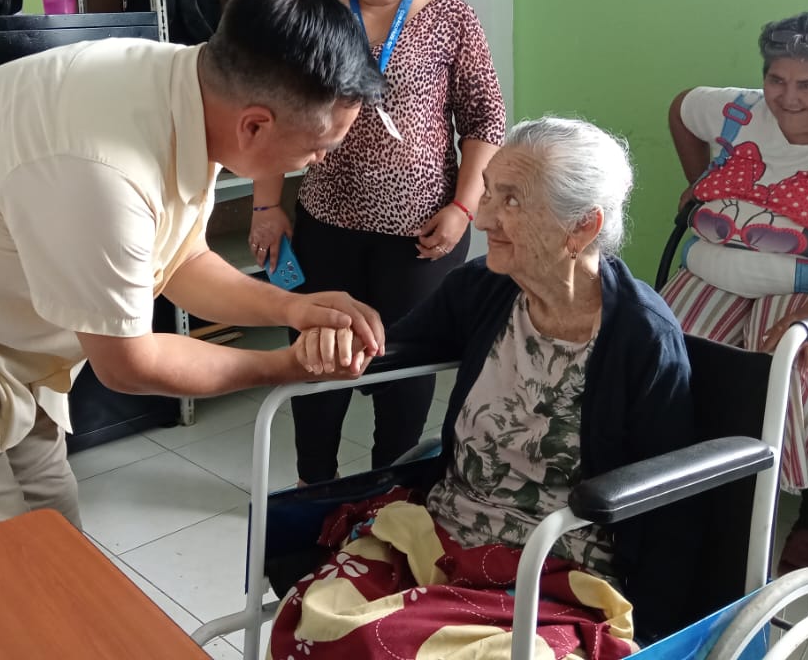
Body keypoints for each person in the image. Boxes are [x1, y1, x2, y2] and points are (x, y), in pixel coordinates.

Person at [0, 0, 390, 557]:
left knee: (54, 543)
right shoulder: (104, 166)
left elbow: (179, 260)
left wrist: (293, 307)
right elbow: (129, 363)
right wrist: (284, 366)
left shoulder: (194, 91)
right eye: (318, 147)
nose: (319, 161)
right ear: (255, 125)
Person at [271, 118, 696, 657]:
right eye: (489, 192)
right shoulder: (484, 287)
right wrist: (338, 342)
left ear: (582, 227)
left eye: (512, 200)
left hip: (557, 571)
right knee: (315, 616)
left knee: (384, 645)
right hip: (443, 532)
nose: (487, 217)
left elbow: (669, 501)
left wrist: (658, 636)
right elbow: (390, 348)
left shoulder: (642, 337)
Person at [248, 0, 506, 486]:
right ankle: (315, 489)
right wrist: (265, 205)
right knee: (318, 360)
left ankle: (387, 497)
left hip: (421, 236)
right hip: (325, 226)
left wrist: (464, 209)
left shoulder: (453, 18)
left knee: (402, 373)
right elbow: (269, 112)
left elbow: (484, 119)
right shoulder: (313, 17)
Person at [662, 11, 808, 573]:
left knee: (800, 369)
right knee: (662, 353)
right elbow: (682, 108)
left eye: (807, 85)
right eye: (776, 79)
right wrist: (698, 182)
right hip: (714, 266)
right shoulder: (739, 110)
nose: (787, 98)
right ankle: (680, 486)